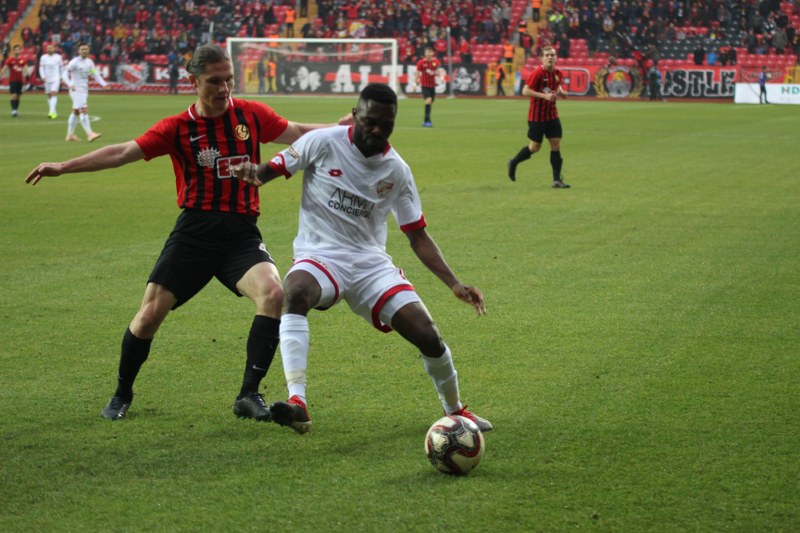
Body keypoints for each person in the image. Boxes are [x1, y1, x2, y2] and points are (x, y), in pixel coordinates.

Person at [24, 44, 351, 422]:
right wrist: (63, 166)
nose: (224, 89)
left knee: (273, 293)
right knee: (148, 317)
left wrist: (339, 129)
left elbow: (297, 132)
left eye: (228, 79)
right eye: (215, 81)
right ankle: (121, 393)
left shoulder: (251, 115)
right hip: (195, 232)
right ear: (192, 81)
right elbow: (120, 153)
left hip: (240, 234)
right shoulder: (177, 128)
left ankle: (249, 395)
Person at [232, 83, 493, 435]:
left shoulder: (396, 170)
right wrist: (254, 175)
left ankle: (457, 411)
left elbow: (416, 234)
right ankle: (298, 403)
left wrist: (454, 283)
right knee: (295, 291)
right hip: (320, 255)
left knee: (428, 335)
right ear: (355, 114)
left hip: (370, 264)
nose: (377, 131)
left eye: (386, 125)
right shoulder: (322, 142)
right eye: (370, 121)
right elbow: (270, 170)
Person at [507, 46, 570, 188]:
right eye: (547, 55)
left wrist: (562, 91)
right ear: (542, 58)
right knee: (535, 147)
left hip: (552, 115)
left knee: (556, 144)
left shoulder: (558, 73)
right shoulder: (537, 73)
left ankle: (556, 180)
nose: (550, 58)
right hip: (537, 116)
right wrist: (544, 96)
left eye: (552, 55)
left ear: (556, 58)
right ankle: (514, 162)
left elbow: (557, 85)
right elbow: (525, 91)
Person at [62, 43, 108, 142]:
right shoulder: (74, 62)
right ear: (78, 51)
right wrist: (69, 84)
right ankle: (90, 133)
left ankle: (70, 135)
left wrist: (104, 84)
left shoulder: (89, 62)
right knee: (83, 110)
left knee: (76, 112)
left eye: (86, 49)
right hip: (75, 90)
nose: (84, 51)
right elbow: (65, 73)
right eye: (82, 49)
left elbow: (95, 74)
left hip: (84, 90)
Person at [413, 46, 445, 127]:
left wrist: (441, 77)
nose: (429, 54)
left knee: (431, 102)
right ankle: (427, 121)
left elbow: (439, 70)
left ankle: (425, 121)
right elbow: (417, 73)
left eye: (430, 52)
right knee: (428, 100)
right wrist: (415, 84)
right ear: (425, 53)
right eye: (427, 52)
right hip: (424, 85)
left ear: (433, 53)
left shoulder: (435, 62)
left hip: (432, 85)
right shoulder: (421, 63)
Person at [1, 44, 29, 117]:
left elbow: (25, 67)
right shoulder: (10, 60)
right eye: (16, 50)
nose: (17, 51)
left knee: (18, 96)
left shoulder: (22, 59)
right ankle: (13, 110)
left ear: (20, 51)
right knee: (14, 95)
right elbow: (5, 68)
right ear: (13, 51)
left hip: (20, 80)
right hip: (13, 80)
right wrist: (0, 76)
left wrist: (27, 75)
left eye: (18, 50)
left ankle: (15, 110)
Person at [39, 43, 64, 118]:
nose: (49, 49)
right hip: (47, 79)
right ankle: (53, 111)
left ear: (54, 49)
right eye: (48, 48)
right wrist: (43, 76)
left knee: (53, 93)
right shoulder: (43, 57)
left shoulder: (58, 57)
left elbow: (61, 68)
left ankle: (51, 112)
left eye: (51, 48)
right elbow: (41, 68)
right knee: (49, 95)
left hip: (56, 78)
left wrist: (61, 77)